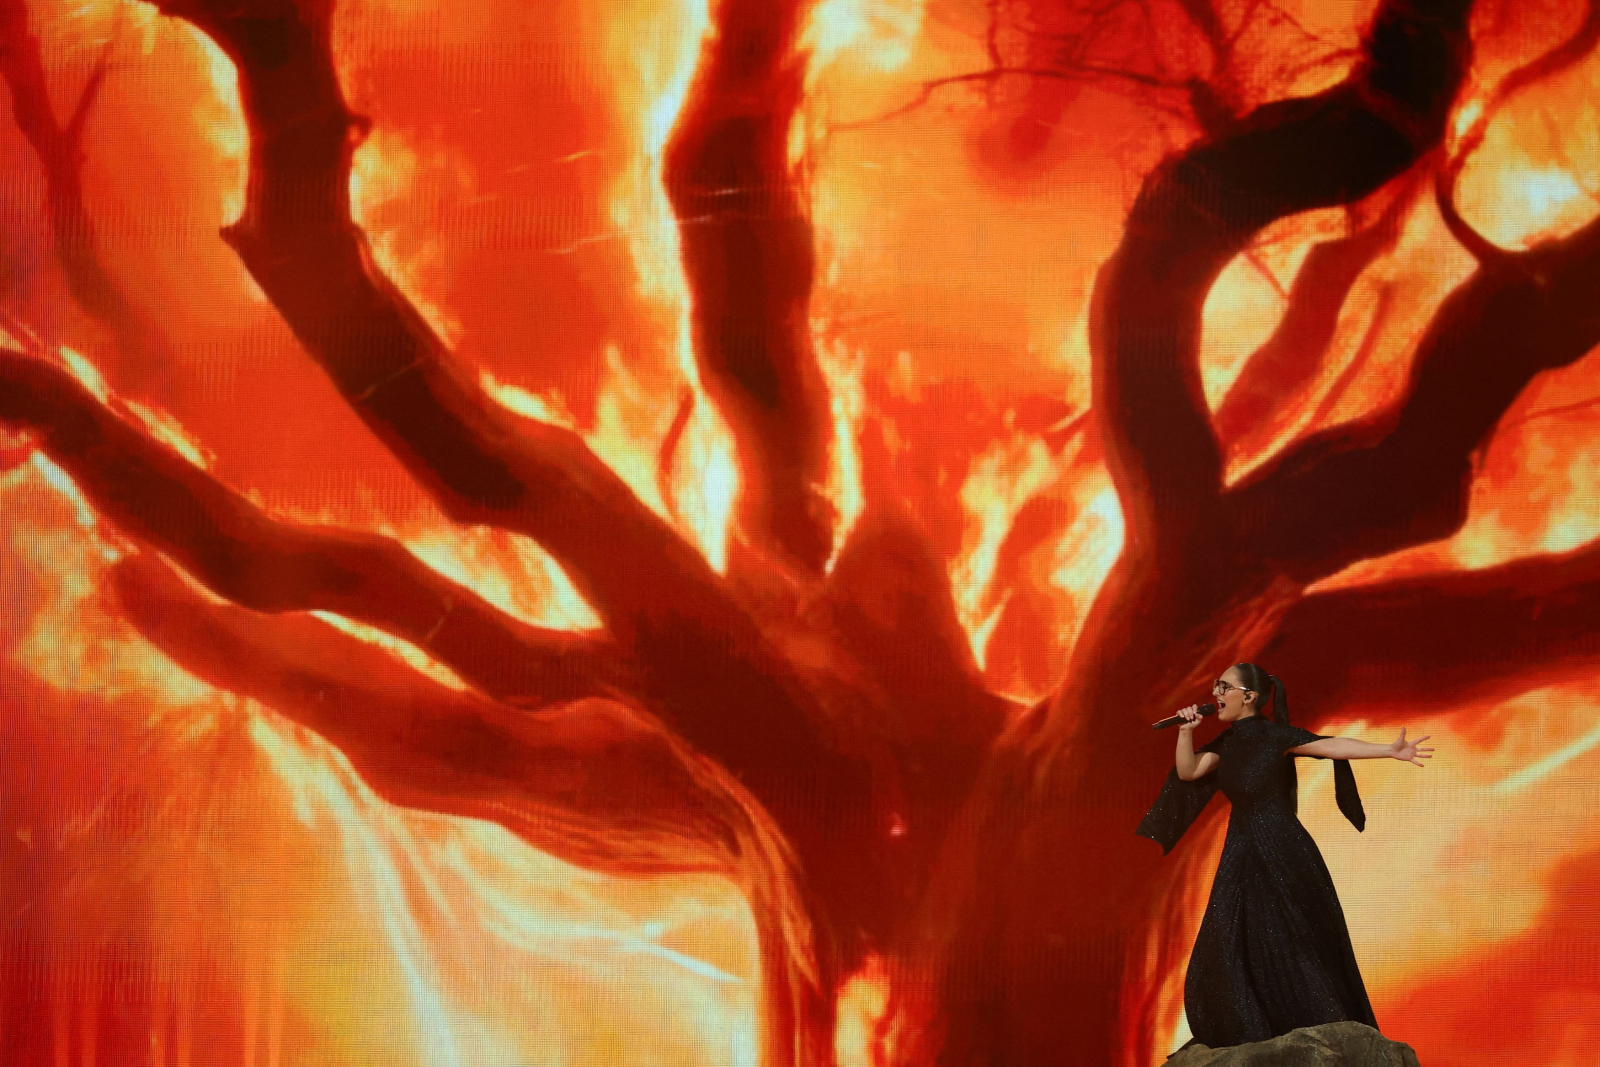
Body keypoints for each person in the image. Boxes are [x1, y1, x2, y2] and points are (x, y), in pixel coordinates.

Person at [1136, 662, 1432, 1052]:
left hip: (1282, 847)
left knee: (1294, 937)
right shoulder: (1226, 743)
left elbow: (1330, 745)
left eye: (1224, 686)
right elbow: (1188, 772)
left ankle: (1317, 1033)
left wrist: (1388, 751)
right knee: (1227, 937)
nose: (1216, 693)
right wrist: (1186, 731)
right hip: (1241, 849)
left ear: (1248, 697)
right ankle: (1252, 1030)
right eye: (1216, 686)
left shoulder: (1275, 736)